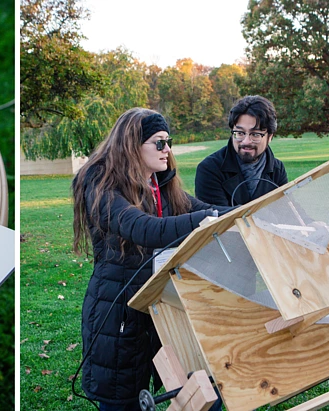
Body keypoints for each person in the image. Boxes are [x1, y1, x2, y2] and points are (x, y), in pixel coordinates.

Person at [72, 108, 230, 410]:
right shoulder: (101, 185)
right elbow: (143, 228)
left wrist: (250, 213)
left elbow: (208, 209)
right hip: (118, 309)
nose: (167, 149)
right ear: (133, 145)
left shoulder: (161, 184)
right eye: (159, 142)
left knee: (202, 390)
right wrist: (204, 219)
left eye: (168, 141)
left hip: (163, 305)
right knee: (122, 399)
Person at [195, 95, 288, 207]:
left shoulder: (277, 170)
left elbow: (287, 212)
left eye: (255, 134)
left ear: (270, 137)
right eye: (240, 133)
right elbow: (219, 220)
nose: (246, 141)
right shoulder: (210, 169)